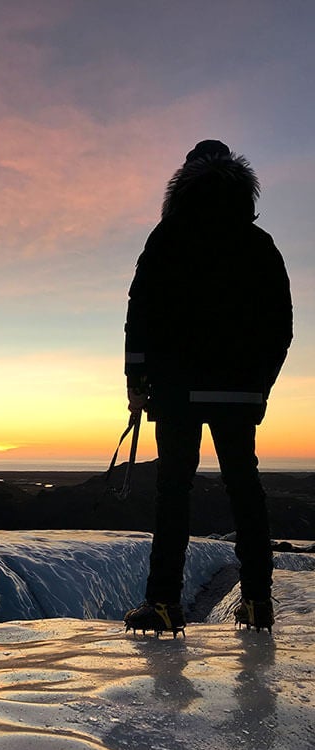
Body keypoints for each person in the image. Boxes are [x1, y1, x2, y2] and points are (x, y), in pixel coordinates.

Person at [123, 140, 293, 636]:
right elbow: (280, 326)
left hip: (177, 391)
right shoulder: (260, 245)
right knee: (246, 488)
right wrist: (260, 385)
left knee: (174, 490)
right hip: (239, 393)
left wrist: (137, 379)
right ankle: (259, 601)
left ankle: (162, 603)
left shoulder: (168, 236)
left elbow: (142, 312)